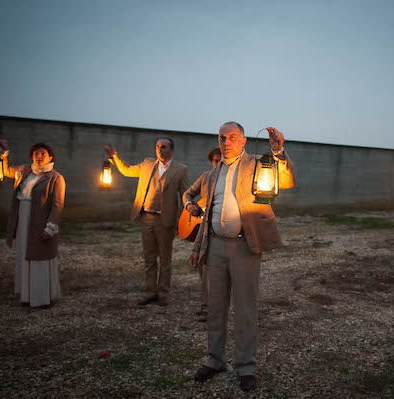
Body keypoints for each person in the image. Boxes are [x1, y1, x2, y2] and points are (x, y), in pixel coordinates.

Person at [190, 122, 296, 392]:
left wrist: (278, 150)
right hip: (215, 246)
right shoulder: (213, 173)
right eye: (222, 137)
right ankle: (213, 361)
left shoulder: (257, 164)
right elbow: (206, 214)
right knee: (215, 307)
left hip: (244, 247)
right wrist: (197, 247)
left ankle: (246, 367)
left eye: (232, 137)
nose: (226, 141)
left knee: (246, 309)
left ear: (243, 141)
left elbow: (286, 180)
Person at [105, 138, 188, 306]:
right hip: (146, 217)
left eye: (163, 147)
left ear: (171, 150)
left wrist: (186, 220)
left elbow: (185, 194)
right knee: (149, 258)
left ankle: (164, 294)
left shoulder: (181, 170)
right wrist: (114, 157)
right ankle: (150, 292)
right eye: (157, 146)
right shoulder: (147, 163)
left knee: (165, 258)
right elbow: (127, 171)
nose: (159, 149)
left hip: (166, 220)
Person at [0, 138, 65, 308]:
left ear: (50, 157)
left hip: (40, 220)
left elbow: (58, 205)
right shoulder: (24, 171)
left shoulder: (56, 178)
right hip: (22, 218)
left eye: (43, 154)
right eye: (36, 153)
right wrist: (4, 152)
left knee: (40, 256)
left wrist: (51, 227)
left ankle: (42, 298)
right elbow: (4, 171)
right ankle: (26, 296)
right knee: (24, 254)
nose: (39, 156)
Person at [182, 147, 222, 322]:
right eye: (215, 160)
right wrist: (189, 205)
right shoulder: (206, 177)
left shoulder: (232, 179)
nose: (219, 163)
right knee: (203, 268)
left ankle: (217, 309)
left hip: (221, 230)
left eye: (222, 159)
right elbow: (187, 193)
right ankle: (207, 308)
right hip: (203, 231)